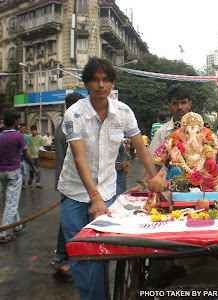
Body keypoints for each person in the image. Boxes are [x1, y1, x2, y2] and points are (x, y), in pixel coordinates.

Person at [57, 57, 157, 300]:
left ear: (112, 83)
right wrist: (95, 197)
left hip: (108, 192)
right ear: (87, 83)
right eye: (95, 79)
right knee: (79, 252)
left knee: (101, 254)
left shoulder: (123, 112)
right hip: (74, 193)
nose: (101, 85)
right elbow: (79, 157)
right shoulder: (74, 114)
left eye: (106, 79)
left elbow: (141, 149)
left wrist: (156, 180)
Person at [126, 83, 192, 193]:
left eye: (183, 103)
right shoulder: (162, 132)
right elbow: (154, 163)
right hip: (169, 188)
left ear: (189, 104)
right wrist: (142, 185)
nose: (180, 107)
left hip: (198, 188)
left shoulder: (202, 130)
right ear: (169, 106)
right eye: (175, 103)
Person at [50, 92, 85, 276]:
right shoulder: (69, 126)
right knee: (69, 221)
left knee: (67, 220)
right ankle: (63, 257)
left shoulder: (60, 126)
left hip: (63, 179)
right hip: (70, 182)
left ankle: (61, 256)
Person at [0, 111, 38, 243]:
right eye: (17, 120)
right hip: (14, 173)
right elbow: (26, 155)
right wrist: (33, 167)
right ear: (15, 121)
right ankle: (3, 232)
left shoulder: (0, 136)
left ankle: (17, 224)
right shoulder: (18, 136)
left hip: (2, 173)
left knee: (9, 199)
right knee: (11, 202)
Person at [18, 123, 30, 189]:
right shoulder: (17, 135)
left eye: (24, 128)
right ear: (20, 128)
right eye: (22, 128)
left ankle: (23, 183)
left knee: (24, 170)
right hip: (18, 155)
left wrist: (28, 154)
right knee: (18, 171)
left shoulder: (27, 137)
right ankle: (19, 183)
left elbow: (28, 146)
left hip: (24, 156)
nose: (23, 129)